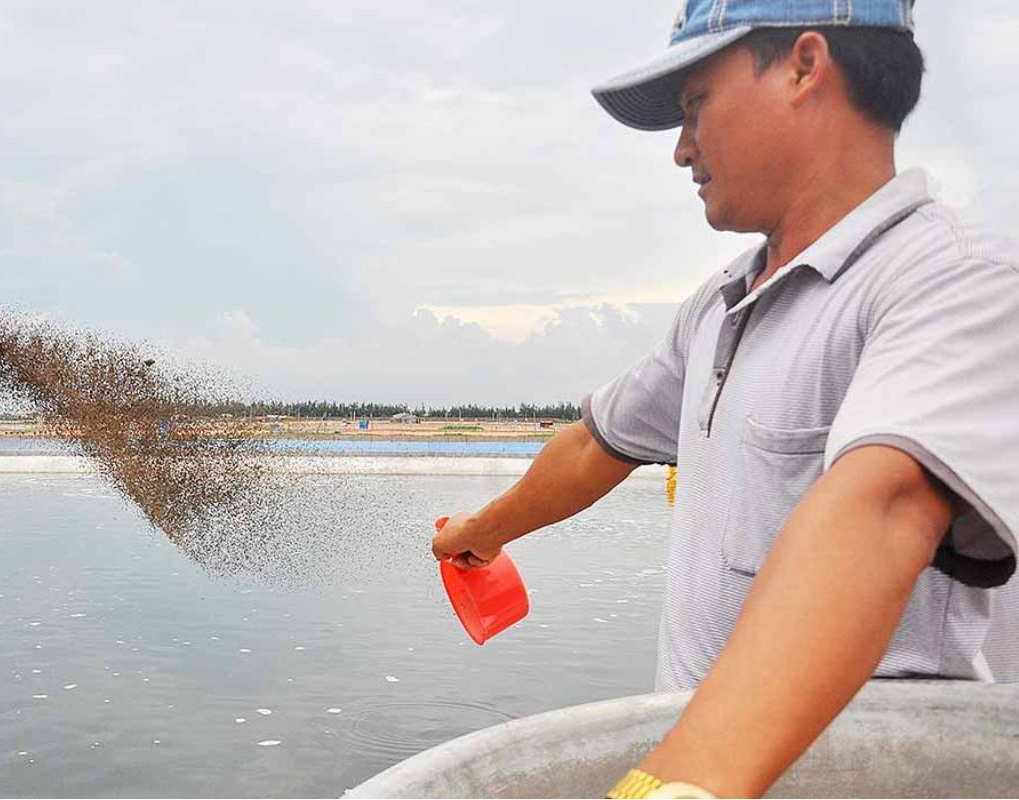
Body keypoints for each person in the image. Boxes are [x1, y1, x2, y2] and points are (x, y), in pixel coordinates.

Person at [430, 1, 1019, 797]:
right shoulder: (721, 308)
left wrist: (669, 788)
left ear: (804, 67)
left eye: (695, 105)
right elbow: (596, 444)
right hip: (707, 769)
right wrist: (482, 532)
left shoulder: (951, 279)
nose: (680, 150)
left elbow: (880, 510)